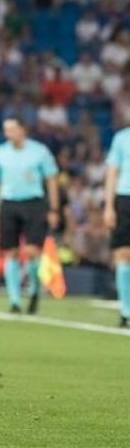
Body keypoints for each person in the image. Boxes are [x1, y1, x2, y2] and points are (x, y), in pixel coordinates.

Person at [0, 117, 59, 314]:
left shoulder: (39, 151)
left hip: (34, 203)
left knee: (33, 252)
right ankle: (15, 300)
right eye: (6, 130)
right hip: (9, 203)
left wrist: (54, 208)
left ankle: (34, 289)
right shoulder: (0, 152)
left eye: (12, 129)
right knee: (10, 252)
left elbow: (51, 179)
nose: (8, 134)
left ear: (23, 130)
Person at [103, 126, 130, 327]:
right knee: (123, 254)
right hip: (125, 198)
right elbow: (112, 172)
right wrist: (109, 206)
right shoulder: (122, 138)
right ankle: (125, 310)